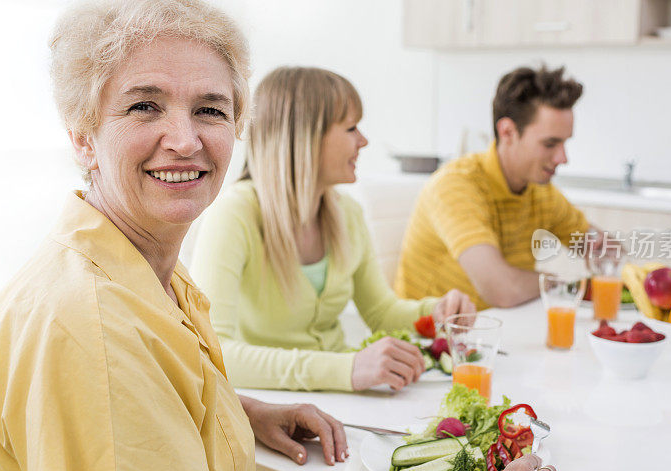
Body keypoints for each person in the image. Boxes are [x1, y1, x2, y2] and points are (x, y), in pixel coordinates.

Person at [0, 0, 561, 471]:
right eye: (144, 106)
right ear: (83, 135)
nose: (186, 140)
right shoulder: (87, 323)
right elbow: (110, 374)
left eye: (211, 110)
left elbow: (139, 398)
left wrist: (239, 413)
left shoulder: (133, 264)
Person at [190, 67, 475, 392]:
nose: (363, 140)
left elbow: (381, 312)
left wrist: (436, 313)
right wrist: (346, 369)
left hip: (343, 402)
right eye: (351, 128)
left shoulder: (348, 214)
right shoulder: (235, 214)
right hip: (269, 407)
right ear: (305, 136)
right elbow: (215, 352)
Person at [395, 65, 594, 309]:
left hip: (498, 331)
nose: (563, 158)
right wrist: (563, 282)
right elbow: (503, 290)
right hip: (434, 339)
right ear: (508, 132)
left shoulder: (539, 190)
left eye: (564, 143)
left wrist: (611, 256)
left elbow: (593, 243)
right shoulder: (455, 186)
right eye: (550, 144)